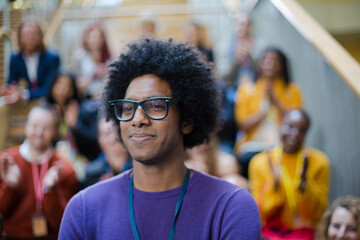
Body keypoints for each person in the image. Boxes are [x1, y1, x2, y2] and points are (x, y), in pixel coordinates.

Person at [59, 37, 261, 239]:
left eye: (155, 106)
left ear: (187, 120)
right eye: (128, 108)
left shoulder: (231, 207)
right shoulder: (84, 210)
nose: (138, 119)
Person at [249, 109, 330, 240]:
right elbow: (260, 213)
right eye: (290, 127)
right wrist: (274, 184)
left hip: (305, 232)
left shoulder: (319, 162)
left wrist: (304, 184)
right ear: (281, 125)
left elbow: (317, 213)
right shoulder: (260, 162)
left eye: (301, 130)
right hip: (271, 233)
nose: (294, 134)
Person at [0, 104, 78, 239]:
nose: (39, 132)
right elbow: (2, 212)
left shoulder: (64, 169)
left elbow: (64, 223)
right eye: (34, 126)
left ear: (55, 131)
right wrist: (10, 186)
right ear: (26, 126)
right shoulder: (7, 161)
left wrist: (51, 190)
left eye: (46, 128)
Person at [235, 47, 303, 178]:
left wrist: (275, 102)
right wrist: (264, 111)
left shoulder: (293, 90)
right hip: (252, 145)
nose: (269, 64)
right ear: (259, 64)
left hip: (282, 144)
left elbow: (297, 124)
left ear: (282, 65)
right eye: (265, 60)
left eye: (274, 60)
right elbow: (242, 125)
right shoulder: (246, 89)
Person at [0, 22, 60, 150]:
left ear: (40, 36)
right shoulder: (15, 58)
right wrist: (10, 91)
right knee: (2, 106)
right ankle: (2, 149)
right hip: (22, 101)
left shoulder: (52, 58)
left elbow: (49, 89)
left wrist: (25, 94)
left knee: (40, 108)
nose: (29, 37)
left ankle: (37, 148)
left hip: (41, 100)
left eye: (33, 34)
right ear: (20, 37)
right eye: (26, 34)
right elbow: (12, 82)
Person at [82, 117, 132, 188]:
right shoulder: (92, 173)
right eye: (107, 134)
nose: (113, 138)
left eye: (117, 132)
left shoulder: (139, 169)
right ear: (99, 138)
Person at [71, 22, 111, 99]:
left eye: (98, 37)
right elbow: (77, 84)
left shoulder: (109, 57)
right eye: (92, 36)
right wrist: (93, 74)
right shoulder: (80, 57)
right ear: (86, 38)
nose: (95, 40)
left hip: (105, 98)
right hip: (86, 98)